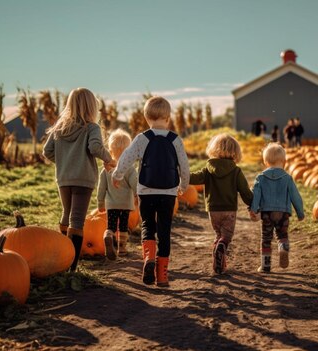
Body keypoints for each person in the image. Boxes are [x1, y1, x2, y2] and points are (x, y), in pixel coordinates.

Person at [112, 96, 190, 287]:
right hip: (169, 192)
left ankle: (149, 258)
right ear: (168, 118)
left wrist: (117, 175)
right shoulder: (175, 140)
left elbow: (126, 158)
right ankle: (162, 276)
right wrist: (183, 185)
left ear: (147, 117)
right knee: (164, 231)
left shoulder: (142, 138)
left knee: (147, 225)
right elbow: (185, 166)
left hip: (146, 191)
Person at [43, 87, 113, 272]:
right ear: (92, 107)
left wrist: (65, 162)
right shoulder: (92, 127)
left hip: (64, 177)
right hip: (83, 178)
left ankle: (62, 259)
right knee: (77, 219)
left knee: (66, 213)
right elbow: (95, 148)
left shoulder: (60, 128)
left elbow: (47, 151)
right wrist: (109, 158)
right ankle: (71, 265)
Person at [189, 134, 253, 274]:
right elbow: (245, 191)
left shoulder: (208, 168)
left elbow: (194, 178)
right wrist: (253, 203)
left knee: (218, 235)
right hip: (229, 210)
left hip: (213, 210)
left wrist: (180, 175)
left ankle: (219, 266)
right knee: (226, 237)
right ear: (235, 152)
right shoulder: (236, 171)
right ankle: (222, 248)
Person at [250, 143, 304, 273]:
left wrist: (254, 209)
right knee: (282, 234)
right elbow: (295, 196)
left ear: (265, 161)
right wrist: (300, 212)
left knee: (266, 239)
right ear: (284, 161)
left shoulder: (261, 177)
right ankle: (283, 247)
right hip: (283, 213)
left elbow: (256, 195)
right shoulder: (287, 178)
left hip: (267, 213)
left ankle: (265, 266)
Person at [97, 129, 137, 260]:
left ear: (110, 149)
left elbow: (101, 188)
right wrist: (138, 195)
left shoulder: (105, 169)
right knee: (124, 226)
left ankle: (108, 235)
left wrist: (100, 202)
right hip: (125, 204)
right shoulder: (129, 168)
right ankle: (122, 249)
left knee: (112, 225)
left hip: (111, 204)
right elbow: (134, 183)